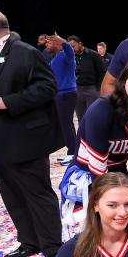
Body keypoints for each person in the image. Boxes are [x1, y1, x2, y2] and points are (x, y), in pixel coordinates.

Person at [0, 7, 64, 257]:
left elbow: (46, 88)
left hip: (25, 138)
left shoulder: (25, 52)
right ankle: (29, 240)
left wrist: (7, 102)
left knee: (37, 193)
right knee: (12, 192)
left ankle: (54, 250)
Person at [69, 57, 128, 188]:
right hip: (86, 177)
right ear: (124, 80)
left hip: (120, 176)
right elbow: (98, 170)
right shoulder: (102, 109)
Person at [44, 34, 78, 165]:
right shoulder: (55, 58)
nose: (47, 45)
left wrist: (63, 41)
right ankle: (73, 152)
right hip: (60, 94)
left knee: (66, 125)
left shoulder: (65, 55)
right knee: (67, 125)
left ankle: (72, 153)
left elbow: (70, 51)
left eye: (49, 43)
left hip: (66, 94)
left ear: (57, 44)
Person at [67, 35, 106, 121]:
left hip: (92, 89)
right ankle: (83, 134)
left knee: (94, 116)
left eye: (73, 46)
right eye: (69, 47)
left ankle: (94, 134)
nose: (72, 49)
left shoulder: (94, 55)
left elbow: (102, 72)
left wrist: (98, 89)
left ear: (80, 44)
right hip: (77, 90)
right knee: (80, 117)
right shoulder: (71, 57)